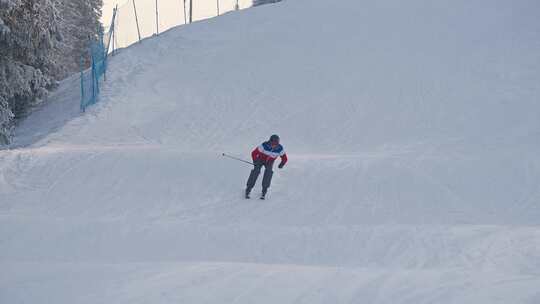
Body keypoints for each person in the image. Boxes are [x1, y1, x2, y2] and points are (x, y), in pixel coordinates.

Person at [245, 134, 288, 199]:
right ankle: (248, 188)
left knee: (268, 172)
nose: (273, 145)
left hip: (269, 162)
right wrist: (255, 161)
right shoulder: (264, 145)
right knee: (256, 171)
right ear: (269, 141)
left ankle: (264, 189)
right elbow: (254, 153)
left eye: (275, 144)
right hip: (260, 160)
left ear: (278, 144)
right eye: (272, 143)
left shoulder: (280, 148)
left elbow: (284, 158)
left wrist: (281, 164)